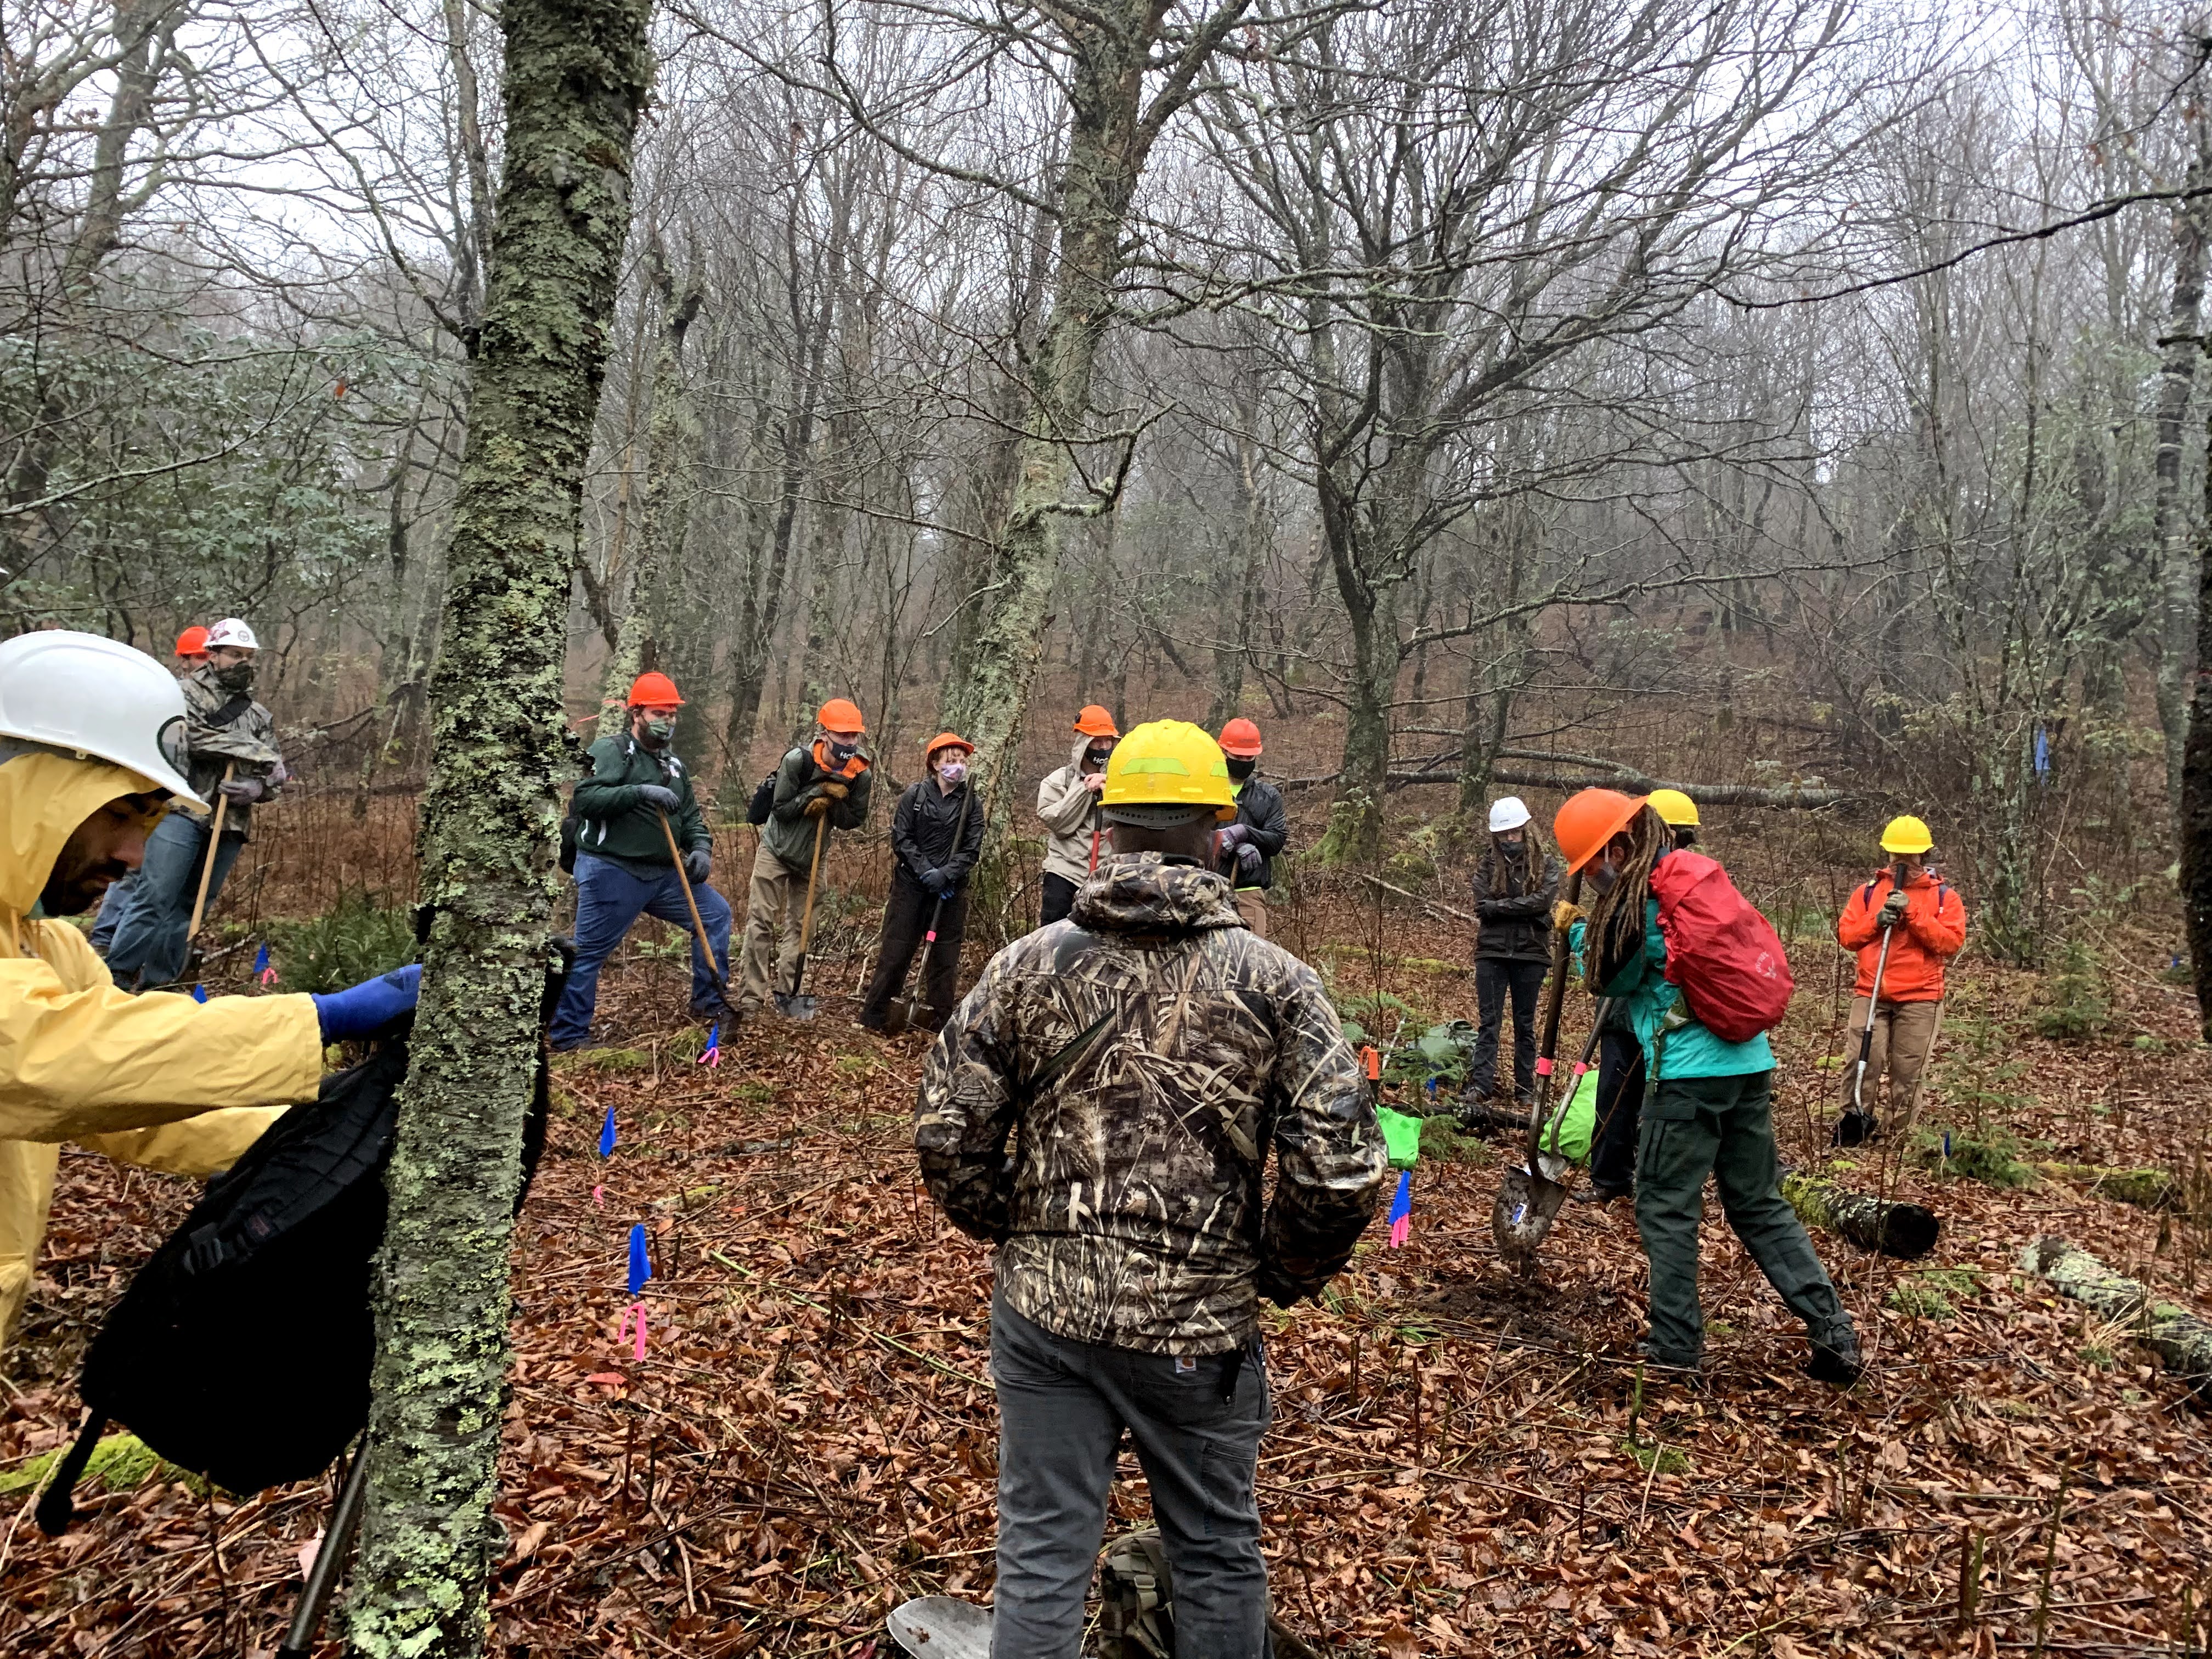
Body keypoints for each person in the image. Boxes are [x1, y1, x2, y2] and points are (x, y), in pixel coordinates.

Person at [916, 719, 1387, 1658]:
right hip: (1198, 1328)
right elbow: (1339, 1169)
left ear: (1106, 827)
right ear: (1218, 831)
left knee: (1044, 1554)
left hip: (1046, 1317)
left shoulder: (1027, 964)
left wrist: (1017, 1223)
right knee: (1213, 1552)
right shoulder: (1278, 982)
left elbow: (947, 1131)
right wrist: (1280, 1269)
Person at [0, 629, 421, 1350]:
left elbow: (133, 1102)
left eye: (151, 823)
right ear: (33, 787)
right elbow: (42, 1061)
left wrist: (335, 1132)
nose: (134, 856)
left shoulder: (48, 945)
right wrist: (320, 1018)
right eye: (120, 814)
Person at [1557, 787, 1861, 1385]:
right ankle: (1834, 1331)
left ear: (1620, 846)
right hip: (1749, 1064)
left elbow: (1611, 980)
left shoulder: (1640, 906)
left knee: (1665, 1208)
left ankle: (1674, 1350)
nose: (1591, 875)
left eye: (1592, 862)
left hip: (1689, 1078)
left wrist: (1574, 935)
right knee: (1760, 1204)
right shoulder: (1690, 887)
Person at [549, 671, 731, 1051]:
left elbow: (692, 819)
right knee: (588, 952)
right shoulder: (611, 751)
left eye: (672, 714)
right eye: (659, 713)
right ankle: (568, 1036)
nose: (667, 721)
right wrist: (638, 792)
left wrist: (701, 849)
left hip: (664, 875)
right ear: (637, 714)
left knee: (715, 916)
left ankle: (709, 1004)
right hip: (612, 870)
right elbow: (586, 800)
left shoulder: (674, 766)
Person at [104, 618, 285, 990]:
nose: (243, 663)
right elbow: (192, 738)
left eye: (249, 656)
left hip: (230, 822)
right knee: (154, 897)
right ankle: (116, 976)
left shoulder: (258, 715)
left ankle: (159, 985)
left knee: (190, 907)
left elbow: (277, 773)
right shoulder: (180, 695)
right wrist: (253, 749)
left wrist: (258, 787)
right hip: (182, 811)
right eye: (235, 654)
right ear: (213, 655)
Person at [1579, 788, 1701, 1200]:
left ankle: (1654, 1183)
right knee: (1614, 1094)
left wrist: (1582, 934)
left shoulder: (1684, 888)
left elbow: (1626, 950)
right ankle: (1611, 1178)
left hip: (1666, 1014)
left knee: (1657, 1098)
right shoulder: (1631, 877)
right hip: (1627, 1013)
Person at [738, 698, 873, 1017]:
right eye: (842, 736)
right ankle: (750, 999)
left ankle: (789, 995)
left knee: (802, 929)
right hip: (776, 849)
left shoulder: (860, 774)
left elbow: (854, 819)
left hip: (815, 856)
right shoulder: (798, 761)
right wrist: (817, 792)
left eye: (854, 736)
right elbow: (782, 809)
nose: (849, 743)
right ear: (824, 734)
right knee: (760, 923)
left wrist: (834, 803)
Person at [1834, 815, 1966, 1141]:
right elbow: (1848, 936)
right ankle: (1854, 1126)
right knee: (1862, 1061)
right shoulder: (1867, 892)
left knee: (1908, 1073)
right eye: (1897, 855)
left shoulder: (1943, 897)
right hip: (1871, 992)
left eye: (1910, 855)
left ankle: (1897, 1139)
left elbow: (1950, 943)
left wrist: (1914, 913)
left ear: (1924, 854)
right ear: (1887, 854)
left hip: (1921, 998)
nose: (1902, 862)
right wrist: (1876, 921)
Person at [89, 625, 210, 957]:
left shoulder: (208, 696)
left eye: (205, 655)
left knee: (147, 878)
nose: (201, 661)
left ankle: (121, 946)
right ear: (183, 660)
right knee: (132, 874)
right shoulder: (170, 694)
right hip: (151, 794)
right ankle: (103, 940)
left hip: (180, 801)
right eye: (196, 656)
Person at [857, 732, 985, 1033]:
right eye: (951, 761)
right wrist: (925, 871)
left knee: (944, 960)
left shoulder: (971, 803)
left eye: (962, 761)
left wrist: (948, 874)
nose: (957, 766)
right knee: (896, 952)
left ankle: (940, 1024)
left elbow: (972, 848)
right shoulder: (915, 796)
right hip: (910, 888)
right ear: (935, 764)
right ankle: (875, 1017)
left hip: (950, 893)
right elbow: (902, 838)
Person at [1462, 796, 1560, 1110]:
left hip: (1531, 954)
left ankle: (1525, 1088)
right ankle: (1481, 1084)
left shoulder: (1546, 864)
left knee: (1525, 1024)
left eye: (1514, 833)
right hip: (1491, 953)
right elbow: (1482, 907)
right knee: (1489, 1022)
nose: (1509, 839)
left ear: (1525, 830)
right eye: (1503, 835)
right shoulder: (1487, 864)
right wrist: (1526, 909)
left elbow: (1543, 902)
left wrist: (1500, 907)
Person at [1034, 704, 1119, 928]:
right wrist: (1085, 789)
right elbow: (1059, 823)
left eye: (1107, 741)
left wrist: (1108, 787)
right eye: (1097, 741)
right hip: (1064, 875)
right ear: (1082, 743)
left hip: (1106, 877)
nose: (1103, 747)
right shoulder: (1056, 782)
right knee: (1053, 941)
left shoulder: (1121, 780)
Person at [1212, 717, 1287, 940]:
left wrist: (1245, 833)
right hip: (1209, 889)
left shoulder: (1268, 796)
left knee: (1250, 967)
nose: (1244, 761)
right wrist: (1226, 843)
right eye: (1238, 757)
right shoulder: (1207, 790)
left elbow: (1277, 839)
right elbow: (1190, 835)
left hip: (1249, 896)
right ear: (1223, 752)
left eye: (1249, 757)